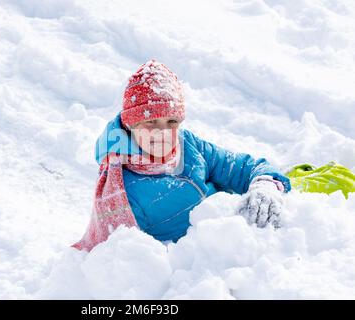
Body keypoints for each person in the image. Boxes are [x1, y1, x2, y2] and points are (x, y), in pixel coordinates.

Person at [73, 59, 291, 252]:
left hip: (248, 231)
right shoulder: (124, 190)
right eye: (151, 122)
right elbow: (114, 258)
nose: (163, 132)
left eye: (171, 122)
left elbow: (240, 167)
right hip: (202, 262)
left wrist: (265, 184)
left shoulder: (188, 145)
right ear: (131, 124)